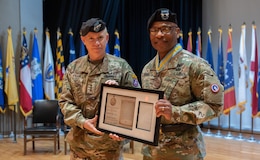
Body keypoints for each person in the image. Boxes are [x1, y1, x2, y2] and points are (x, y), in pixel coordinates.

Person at [141, 8, 224, 160]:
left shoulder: (195, 65)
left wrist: (176, 112)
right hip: (151, 152)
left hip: (185, 152)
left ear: (177, 32)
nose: (159, 34)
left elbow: (215, 106)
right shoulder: (147, 69)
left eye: (166, 29)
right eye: (154, 30)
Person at [59, 18, 140, 160]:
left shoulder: (121, 67)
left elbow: (136, 101)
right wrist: (82, 121)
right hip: (80, 148)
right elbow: (65, 102)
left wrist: (119, 93)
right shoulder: (73, 68)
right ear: (83, 40)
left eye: (100, 37)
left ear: (107, 38)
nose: (97, 43)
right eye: (91, 38)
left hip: (110, 148)